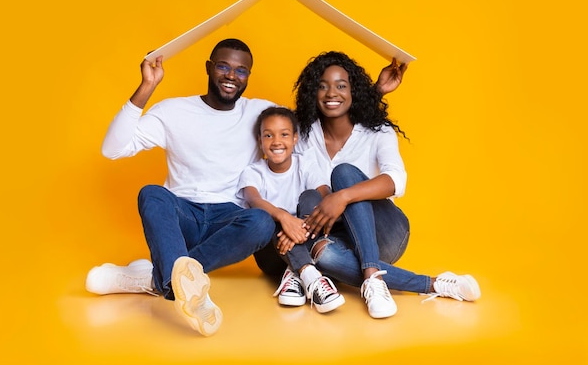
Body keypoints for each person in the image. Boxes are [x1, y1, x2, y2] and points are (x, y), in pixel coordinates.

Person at [254, 51, 481, 319]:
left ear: (354, 91)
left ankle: (368, 272)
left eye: (341, 86)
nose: (331, 93)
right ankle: (431, 283)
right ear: (312, 92)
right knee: (320, 246)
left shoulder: (378, 132)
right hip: (331, 236)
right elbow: (275, 136)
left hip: (382, 232)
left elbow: (396, 180)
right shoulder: (301, 134)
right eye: (323, 86)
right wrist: (290, 225)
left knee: (345, 174)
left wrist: (344, 196)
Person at [85, 39, 276, 336]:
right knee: (152, 193)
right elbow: (113, 148)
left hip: (227, 222)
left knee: (262, 222)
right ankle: (181, 282)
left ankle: (156, 279)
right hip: (181, 217)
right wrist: (147, 86)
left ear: (248, 77)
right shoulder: (174, 111)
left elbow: (319, 133)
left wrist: (375, 94)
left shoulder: (261, 113)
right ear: (209, 68)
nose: (231, 76)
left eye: (241, 71)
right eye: (224, 67)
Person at [236, 106, 345, 313]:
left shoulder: (305, 164)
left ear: (295, 138)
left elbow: (324, 194)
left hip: (307, 239)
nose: (276, 141)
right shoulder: (252, 172)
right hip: (271, 256)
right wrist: (284, 218)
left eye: (284, 134)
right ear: (260, 141)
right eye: (268, 135)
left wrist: (298, 227)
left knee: (311, 196)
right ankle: (312, 278)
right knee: (267, 217)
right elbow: (254, 199)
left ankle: (296, 274)